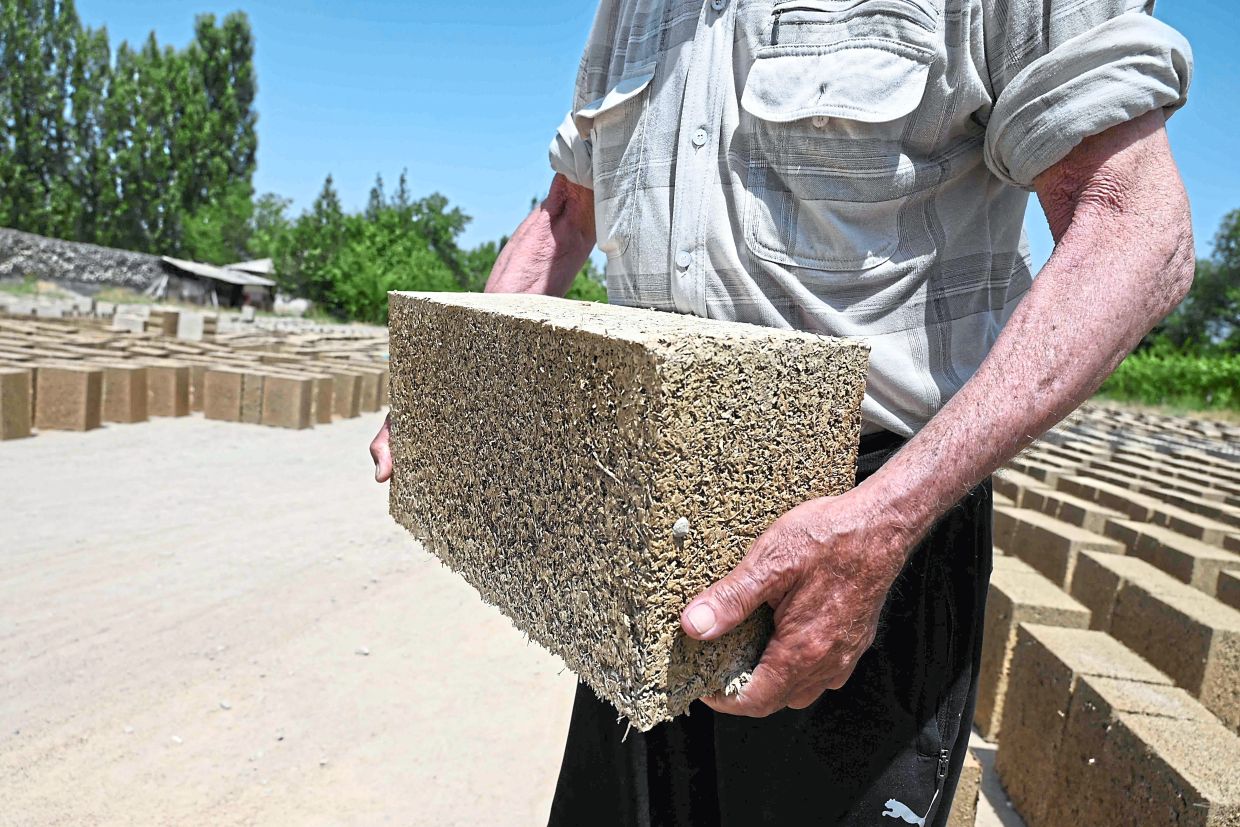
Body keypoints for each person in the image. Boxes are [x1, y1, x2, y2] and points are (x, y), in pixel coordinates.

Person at [371, 1, 1194, 823]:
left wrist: (879, 524)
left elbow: (1138, 230)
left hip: (865, 527)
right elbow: (562, 216)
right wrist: (446, 381)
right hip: (640, 529)